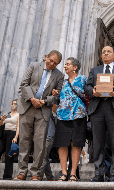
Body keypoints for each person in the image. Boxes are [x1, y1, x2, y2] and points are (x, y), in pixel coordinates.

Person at [14, 50, 64, 181]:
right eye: (50, 60)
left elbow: (57, 96)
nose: (52, 63)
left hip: (43, 110)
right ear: (46, 57)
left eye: (55, 63)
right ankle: (21, 172)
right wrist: (32, 98)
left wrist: (47, 99)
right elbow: (24, 84)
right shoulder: (34, 66)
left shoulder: (60, 76)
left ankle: (36, 173)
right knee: (24, 140)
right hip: (27, 107)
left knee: (40, 143)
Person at [85, 46, 114, 182]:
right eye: (103, 52)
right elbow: (87, 87)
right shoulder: (95, 70)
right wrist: (92, 91)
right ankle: (99, 174)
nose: (105, 54)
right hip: (97, 109)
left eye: (108, 52)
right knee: (97, 144)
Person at [53, 57, 87, 182]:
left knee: (76, 144)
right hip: (62, 116)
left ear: (75, 67)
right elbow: (57, 100)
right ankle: (63, 173)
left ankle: (73, 173)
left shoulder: (83, 79)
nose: (65, 66)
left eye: (68, 64)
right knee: (62, 144)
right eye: (65, 64)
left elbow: (89, 94)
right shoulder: (62, 82)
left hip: (78, 116)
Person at [0, 100, 19, 180]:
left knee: (9, 155)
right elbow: (2, 124)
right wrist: (1, 120)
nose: (13, 105)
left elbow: (18, 126)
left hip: (12, 133)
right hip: (4, 133)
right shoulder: (8, 114)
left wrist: (16, 137)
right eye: (12, 104)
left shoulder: (19, 114)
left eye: (15, 104)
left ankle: (7, 176)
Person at [40, 104, 57, 181]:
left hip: (49, 137)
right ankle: (50, 177)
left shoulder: (50, 112)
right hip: (42, 137)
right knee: (45, 157)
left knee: (42, 157)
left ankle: (38, 176)